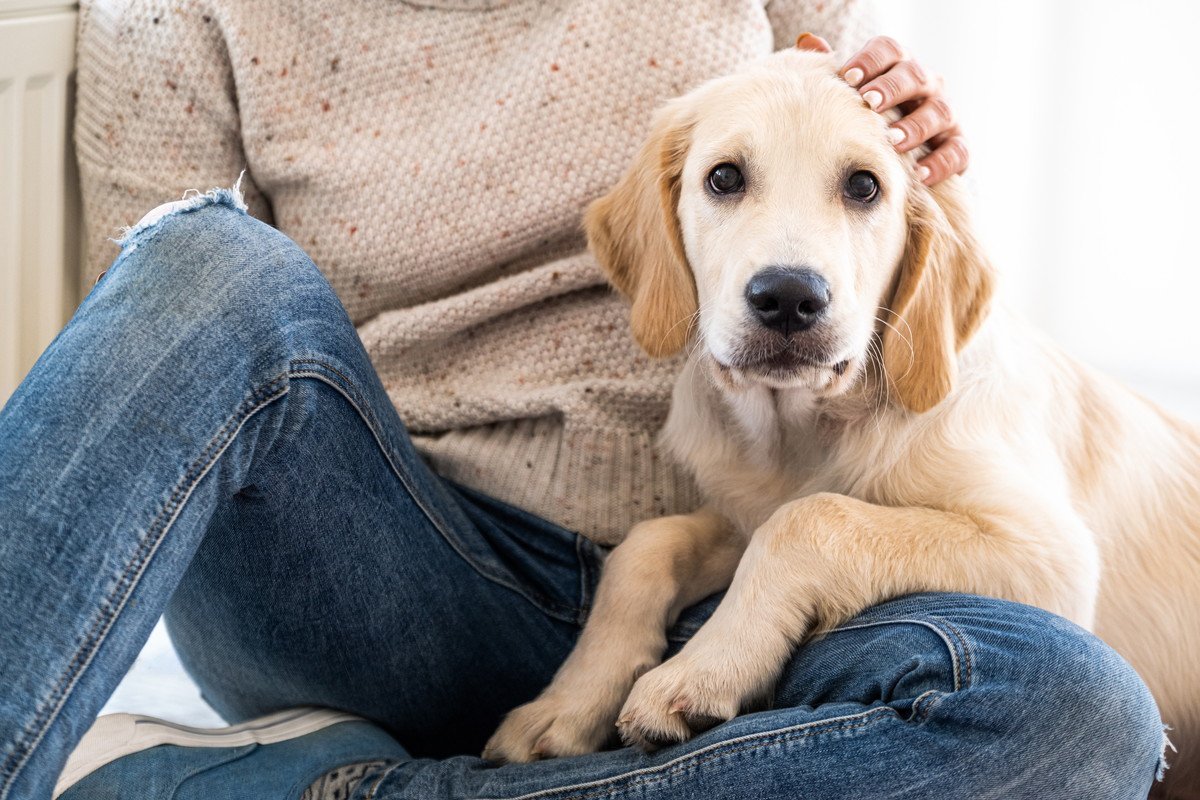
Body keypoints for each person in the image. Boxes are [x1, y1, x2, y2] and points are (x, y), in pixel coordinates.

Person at [0, 1, 1164, 798]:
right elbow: (164, 346)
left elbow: (853, 204)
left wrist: (923, 139)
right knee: (202, 262)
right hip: (384, 568)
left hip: (729, 593)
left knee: (1085, 709)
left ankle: (317, 785)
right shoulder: (175, 7)